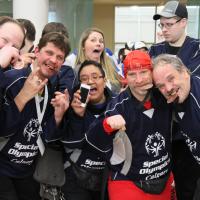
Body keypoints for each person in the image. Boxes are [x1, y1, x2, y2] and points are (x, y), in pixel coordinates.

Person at [85, 50, 175, 200]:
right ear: (125, 77)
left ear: (152, 72)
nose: (139, 80)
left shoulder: (165, 94)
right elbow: (90, 140)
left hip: (164, 179)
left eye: (144, 72)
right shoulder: (117, 106)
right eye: (132, 74)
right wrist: (106, 125)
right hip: (128, 181)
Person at [0, 32, 70, 200]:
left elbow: (45, 136)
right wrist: (23, 96)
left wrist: (58, 116)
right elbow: (2, 129)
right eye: (50, 53)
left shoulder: (50, 88)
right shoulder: (11, 80)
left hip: (28, 171)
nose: (54, 60)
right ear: (36, 51)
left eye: (60, 57)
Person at [149, 1, 200, 199]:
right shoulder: (156, 51)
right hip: (162, 131)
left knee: (188, 185)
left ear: (184, 22)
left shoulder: (197, 49)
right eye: (161, 25)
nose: (164, 29)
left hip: (190, 135)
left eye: (169, 24)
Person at [60, 60, 114, 200]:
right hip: (76, 174)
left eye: (95, 77)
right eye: (84, 79)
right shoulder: (73, 103)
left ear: (105, 80)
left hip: (107, 176)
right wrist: (78, 116)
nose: (90, 81)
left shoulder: (117, 104)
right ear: (79, 84)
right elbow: (71, 143)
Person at [152, 54, 200, 200]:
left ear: (185, 72)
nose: (168, 88)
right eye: (160, 86)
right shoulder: (179, 94)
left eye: (171, 78)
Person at [65, 27, 121, 93]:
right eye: (93, 40)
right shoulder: (77, 71)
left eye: (101, 41)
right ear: (83, 46)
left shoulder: (110, 64)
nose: (98, 44)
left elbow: (117, 89)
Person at [41, 21, 77, 97]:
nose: (53, 60)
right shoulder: (27, 64)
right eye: (53, 40)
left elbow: (63, 97)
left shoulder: (67, 72)